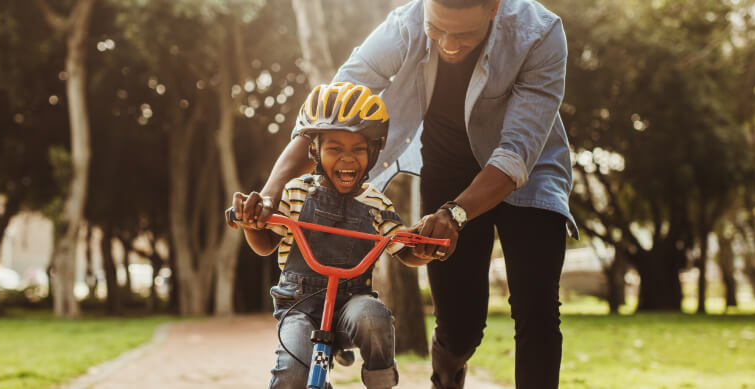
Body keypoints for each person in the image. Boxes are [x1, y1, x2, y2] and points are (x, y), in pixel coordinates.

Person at [248, 0, 578, 387]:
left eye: (464, 35)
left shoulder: (539, 33)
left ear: (493, 8)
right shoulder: (405, 25)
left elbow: (515, 153)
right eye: (437, 31)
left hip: (530, 170)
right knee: (461, 326)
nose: (449, 47)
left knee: (536, 307)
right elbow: (331, 113)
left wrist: (455, 215)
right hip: (449, 170)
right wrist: (270, 194)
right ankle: (448, 367)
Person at [230, 82, 431, 389]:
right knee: (293, 372)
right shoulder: (296, 192)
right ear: (314, 150)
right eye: (335, 148)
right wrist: (251, 225)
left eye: (358, 149)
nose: (347, 159)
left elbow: (402, 248)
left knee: (374, 318)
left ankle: (381, 381)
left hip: (353, 304)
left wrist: (422, 248)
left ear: (374, 150)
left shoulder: (377, 203)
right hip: (299, 305)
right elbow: (266, 244)